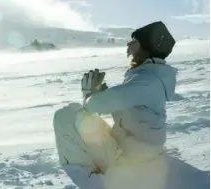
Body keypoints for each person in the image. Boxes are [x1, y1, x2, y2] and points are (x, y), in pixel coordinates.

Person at [53, 21, 177, 189]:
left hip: (131, 157)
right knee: (75, 111)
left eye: (135, 41)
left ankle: (86, 175)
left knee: (65, 117)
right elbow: (127, 113)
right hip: (137, 149)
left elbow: (93, 106)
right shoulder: (150, 76)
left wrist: (91, 94)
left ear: (146, 48)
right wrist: (103, 93)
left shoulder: (148, 81)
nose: (129, 44)